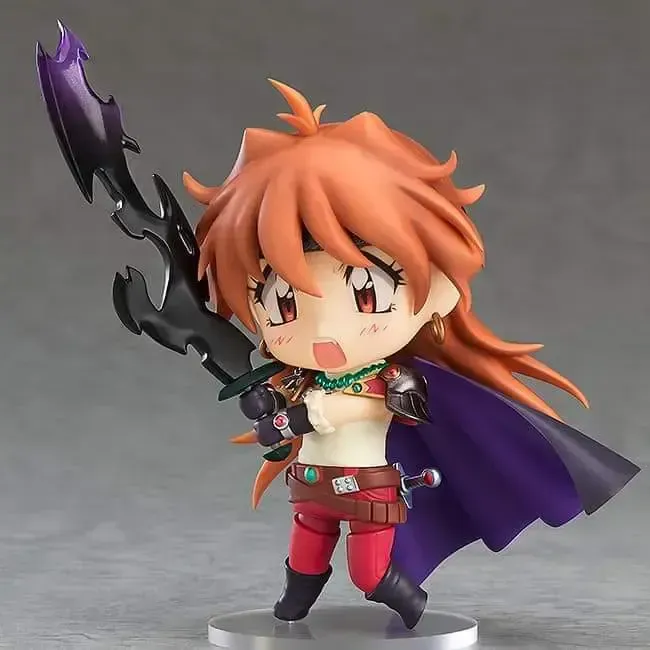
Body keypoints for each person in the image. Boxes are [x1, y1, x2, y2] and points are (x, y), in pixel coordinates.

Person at [183, 80, 640, 629]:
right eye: (282, 303)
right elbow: (284, 416)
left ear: (439, 290)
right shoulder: (302, 379)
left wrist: (295, 417)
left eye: (366, 292)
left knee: (370, 573)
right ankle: (295, 599)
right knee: (305, 553)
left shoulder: (389, 382)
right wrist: (265, 406)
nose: (325, 330)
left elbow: (346, 410)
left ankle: (409, 603)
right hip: (311, 484)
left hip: (368, 488)